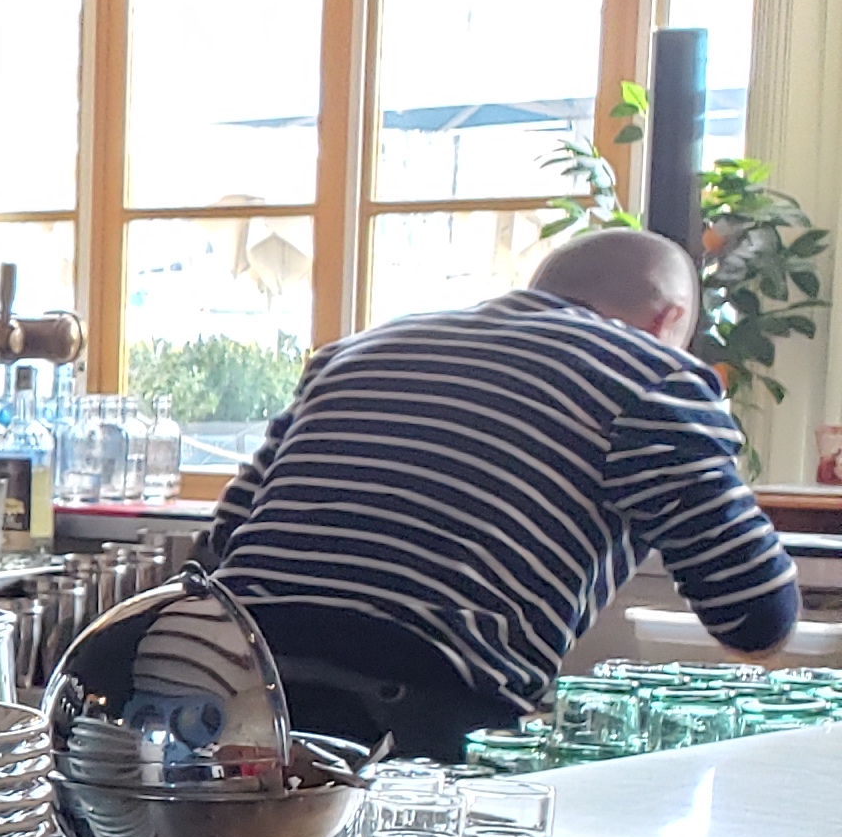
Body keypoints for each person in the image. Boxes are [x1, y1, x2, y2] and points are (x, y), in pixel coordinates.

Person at [194, 227, 800, 760]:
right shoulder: (650, 375)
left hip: (219, 681)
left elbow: (223, 542)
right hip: (414, 708)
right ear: (669, 321)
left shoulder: (354, 352)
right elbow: (754, 614)